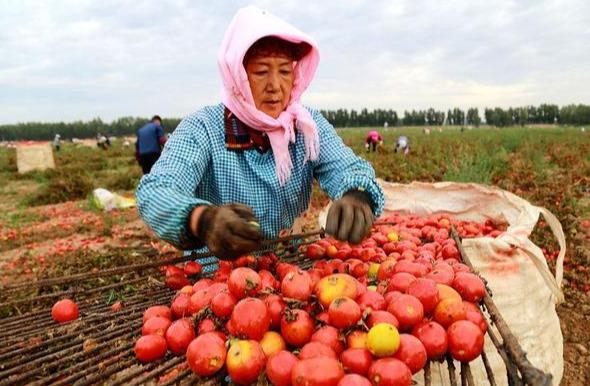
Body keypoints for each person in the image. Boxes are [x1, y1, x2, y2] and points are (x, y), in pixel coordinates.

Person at [136, 6, 384, 270]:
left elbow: (347, 167)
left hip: (290, 272)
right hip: (219, 280)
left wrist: (358, 196)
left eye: (285, 72)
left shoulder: (305, 126)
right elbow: (156, 191)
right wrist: (203, 220)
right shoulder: (203, 129)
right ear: (237, 76)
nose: (275, 86)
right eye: (261, 71)